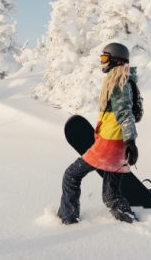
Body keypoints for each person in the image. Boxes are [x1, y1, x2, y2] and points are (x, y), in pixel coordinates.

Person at [57, 42, 141, 224]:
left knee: (71, 175)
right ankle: (130, 221)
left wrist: (131, 141)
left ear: (115, 60)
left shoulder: (119, 83)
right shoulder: (127, 81)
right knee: (111, 195)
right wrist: (128, 143)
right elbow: (135, 113)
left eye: (105, 58)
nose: (102, 62)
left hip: (109, 145)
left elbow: (126, 114)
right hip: (119, 146)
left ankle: (68, 217)